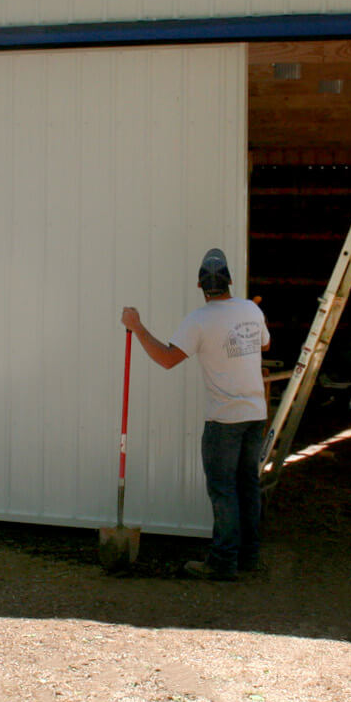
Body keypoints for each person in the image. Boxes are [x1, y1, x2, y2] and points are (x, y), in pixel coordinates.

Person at [121, 248, 270, 580]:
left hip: (225, 419)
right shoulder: (250, 310)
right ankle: (248, 557)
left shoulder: (200, 320)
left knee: (224, 491)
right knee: (247, 486)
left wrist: (137, 327)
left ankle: (222, 563)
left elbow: (167, 359)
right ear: (230, 280)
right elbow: (264, 345)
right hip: (255, 413)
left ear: (201, 286)